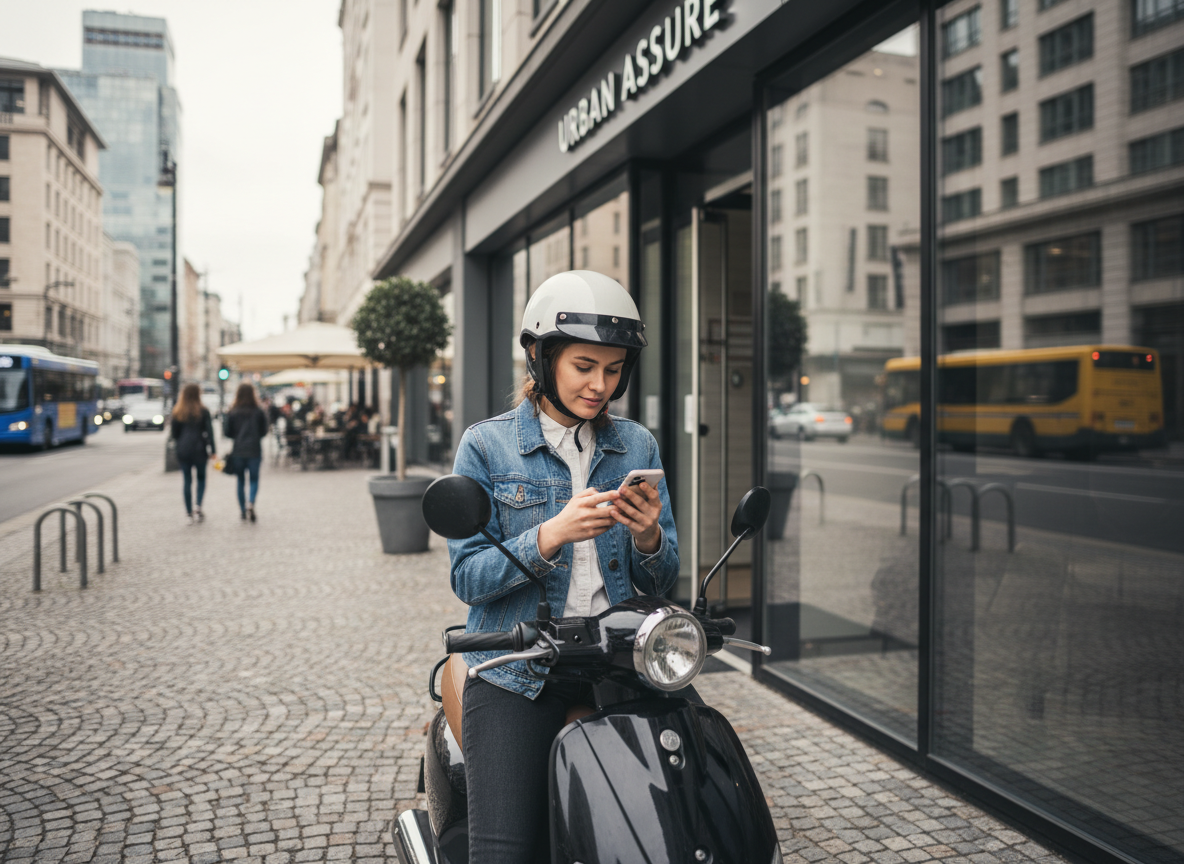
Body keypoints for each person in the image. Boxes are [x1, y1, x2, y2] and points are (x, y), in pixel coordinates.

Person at [448, 271, 681, 864]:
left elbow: (661, 581)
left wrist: (650, 535)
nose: (600, 384)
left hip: (621, 659)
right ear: (540, 355)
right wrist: (549, 536)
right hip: (519, 670)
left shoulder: (636, 446)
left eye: (614, 368)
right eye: (584, 366)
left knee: (688, 813)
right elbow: (467, 577)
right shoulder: (485, 446)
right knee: (504, 853)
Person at [170, 382, 216, 524]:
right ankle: (198, 506)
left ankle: (189, 512)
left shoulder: (178, 411)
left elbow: (174, 434)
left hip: (183, 450)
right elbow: (209, 432)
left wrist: (180, 443)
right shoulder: (203, 410)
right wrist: (213, 450)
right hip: (199, 449)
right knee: (201, 478)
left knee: (187, 480)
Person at [223, 382, 269, 522]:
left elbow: (227, 432)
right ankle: (251, 503)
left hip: (238, 450)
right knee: (254, 479)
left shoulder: (233, 411)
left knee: (241, 481)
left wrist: (238, 437)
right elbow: (264, 430)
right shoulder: (258, 410)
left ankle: (243, 510)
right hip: (254, 450)